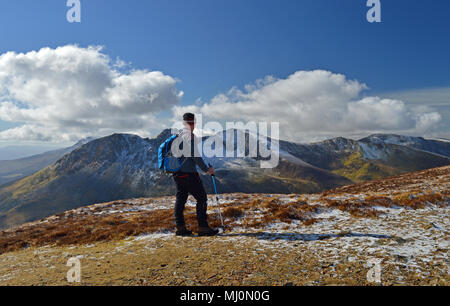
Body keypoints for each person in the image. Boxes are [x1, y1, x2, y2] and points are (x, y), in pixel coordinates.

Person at [172, 113, 219, 237]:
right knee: (202, 198)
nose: (191, 125)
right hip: (189, 174)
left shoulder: (177, 135)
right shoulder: (190, 136)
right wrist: (206, 169)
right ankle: (203, 227)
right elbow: (195, 155)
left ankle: (180, 228)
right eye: (190, 123)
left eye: (192, 123)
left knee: (180, 200)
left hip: (177, 173)